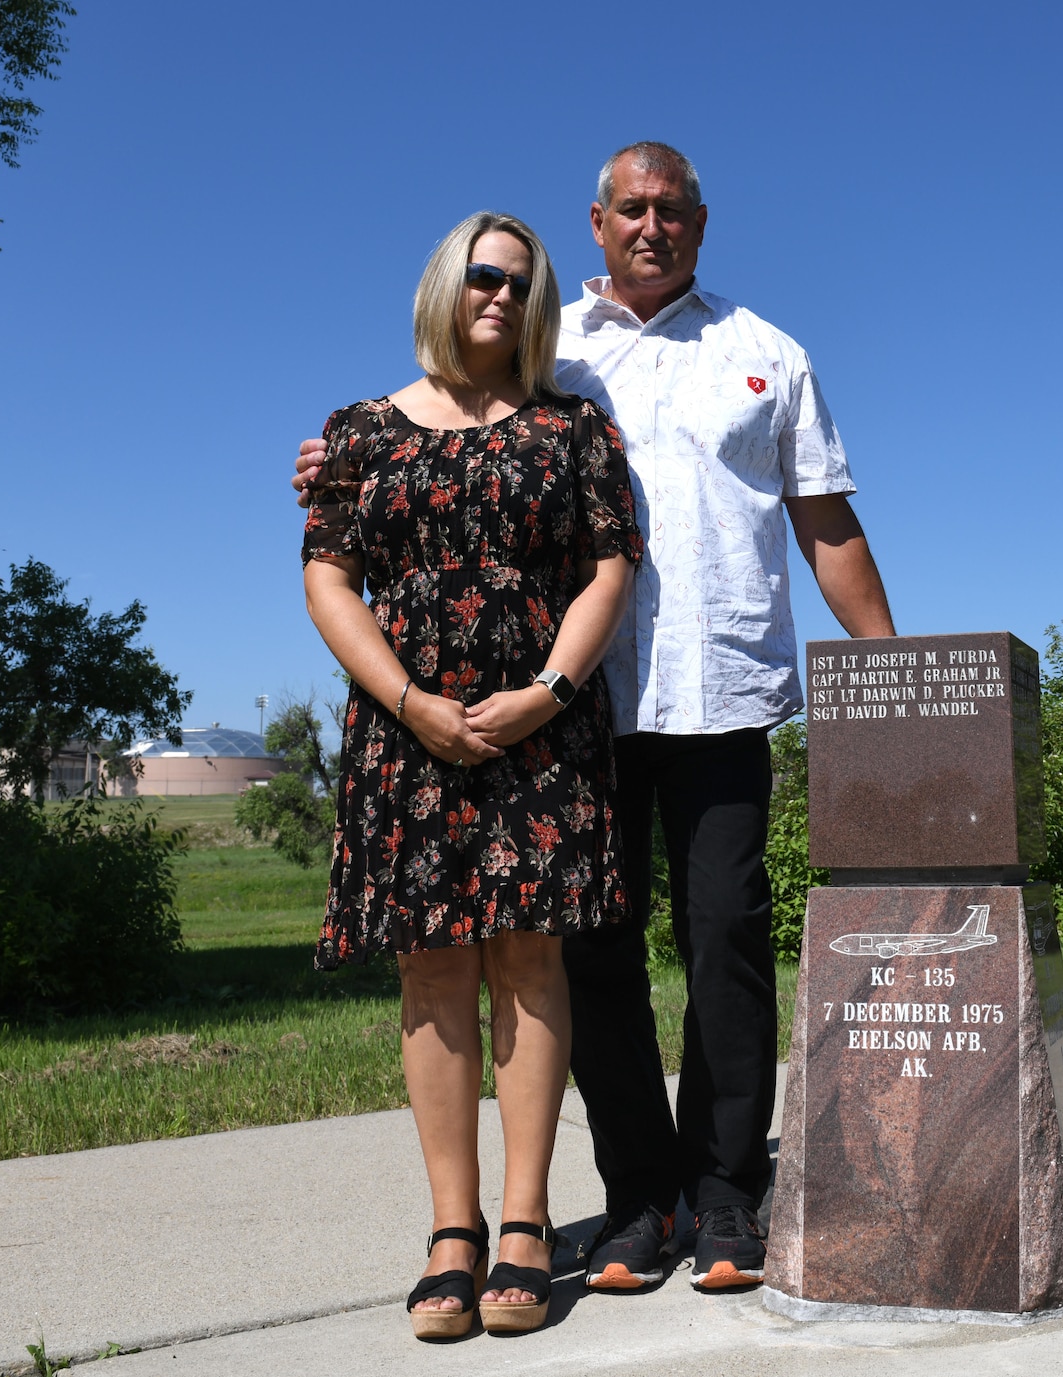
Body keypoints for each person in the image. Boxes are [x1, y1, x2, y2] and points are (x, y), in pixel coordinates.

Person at [296, 142, 895, 1296]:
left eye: (672, 210)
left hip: (719, 692)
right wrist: (332, 467)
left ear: (702, 224)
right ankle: (637, 1199)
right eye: (631, 209)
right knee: (594, 959)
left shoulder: (764, 354)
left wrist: (884, 676)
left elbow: (825, 525)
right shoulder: (547, 344)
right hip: (573, 715)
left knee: (723, 937)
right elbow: (435, 433)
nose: (652, 226)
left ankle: (724, 1193)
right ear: (598, 221)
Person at [299, 210, 641, 1339]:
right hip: (409, 731)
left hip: (539, 728)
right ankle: (452, 1232)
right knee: (433, 971)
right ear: (445, 284)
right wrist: (407, 702)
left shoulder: (573, 430)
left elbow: (608, 568)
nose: (499, 296)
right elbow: (329, 580)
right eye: (482, 276)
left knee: (532, 962)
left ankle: (528, 1224)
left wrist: (547, 689)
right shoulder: (356, 430)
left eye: (521, 286)